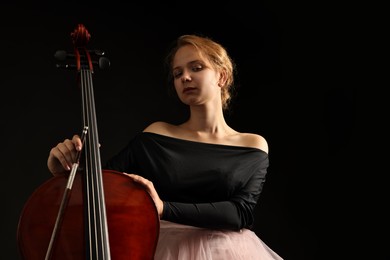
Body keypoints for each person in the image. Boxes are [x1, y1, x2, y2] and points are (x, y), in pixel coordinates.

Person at [47, 34, 283, 260]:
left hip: (230, 253)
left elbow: (240, 212)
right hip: (165, 250)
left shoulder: (252, 145)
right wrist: (64, 171)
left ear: (221, 77)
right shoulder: (157, 135)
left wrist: (163, 208)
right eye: (177, 73)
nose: (185, 77)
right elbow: (104, 188)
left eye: (196, 68)